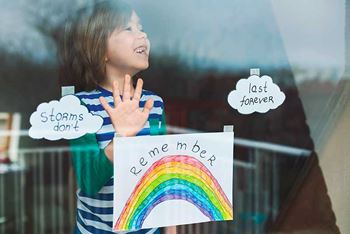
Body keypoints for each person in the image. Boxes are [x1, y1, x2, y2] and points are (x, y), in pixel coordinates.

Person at [59, 1, 168, 233]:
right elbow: (88, 181)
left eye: (141, 27)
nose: (143, 34)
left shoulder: (154, 104)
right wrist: (122, 138)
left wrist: (171, 229)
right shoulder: (79, 106)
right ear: (101, 49)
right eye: (129, 28)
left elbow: (162, 172)